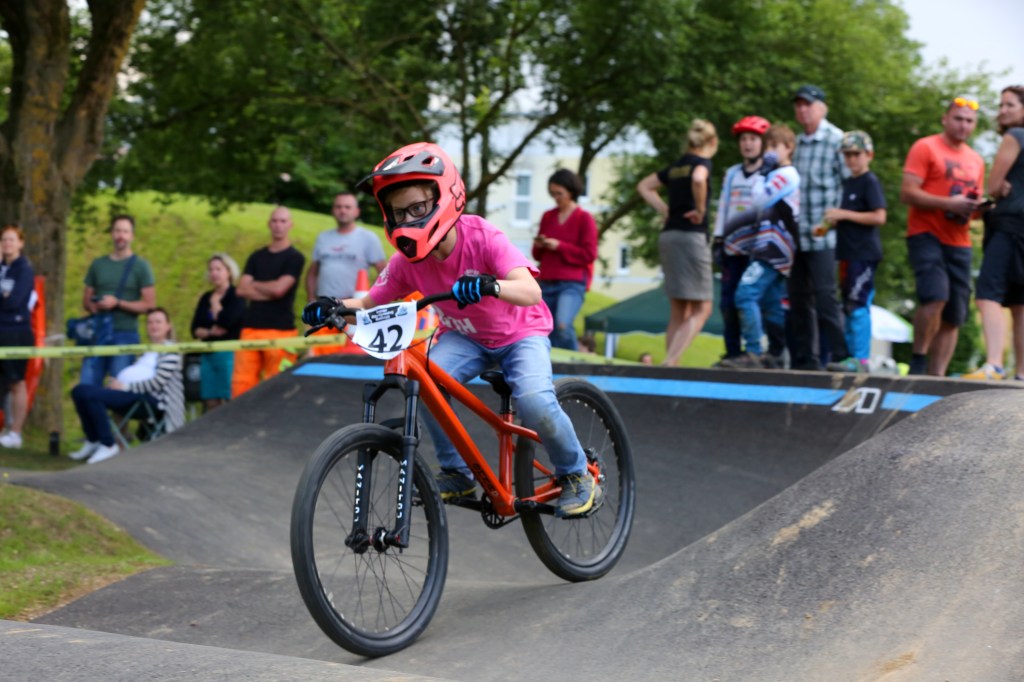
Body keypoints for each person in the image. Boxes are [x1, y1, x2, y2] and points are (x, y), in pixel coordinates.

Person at [304, 142, 598, 518]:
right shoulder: (407, 262)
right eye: (398, 213)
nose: (407, 221)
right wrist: (332, 307)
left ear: (444, 197)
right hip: (465, 337)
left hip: (520, 334)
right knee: (426, 384)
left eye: (417, 209)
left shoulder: (482, 236)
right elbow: (369, 303)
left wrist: (491, 285)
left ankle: (575, 473)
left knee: (534, 402)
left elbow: (531, 291)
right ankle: (457, 473)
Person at [900, 96, 986, 376]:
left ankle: (937, 377)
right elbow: (907, 192)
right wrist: (949, 203)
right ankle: (918, 362)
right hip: (926, 234)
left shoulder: (976, 160)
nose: (963, 125)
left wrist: (979, 209)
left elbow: (972, 208)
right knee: (935, 296)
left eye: (969, 121)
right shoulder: (925, 147)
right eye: (958, 119)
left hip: (960, 241)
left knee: (955, 314)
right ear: (945, 119)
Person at [637, 119, 719, 367]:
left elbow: (644, 186)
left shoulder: (675, 167)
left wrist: (665, 209)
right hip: (691, 237)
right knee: (703, 308)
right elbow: (699, 178)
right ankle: (670, 362)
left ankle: (670, 364)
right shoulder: (702, 163)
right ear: (712, 142)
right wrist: (700, 210)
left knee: (679, 309)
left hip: (669, 236)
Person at [719, 124, 800, 369]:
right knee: (771, 302)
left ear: (789, 148)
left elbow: (758, 199)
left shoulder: (786, 175)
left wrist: (762, 174)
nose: (769, 152)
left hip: (774, 249)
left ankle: (753, 351)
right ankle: (776, 353)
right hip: (765, 246)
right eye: (768, 147)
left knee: (745, 294)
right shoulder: (775, 174)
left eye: (775, 146)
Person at [68, 308, 185, 464]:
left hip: (149, 400)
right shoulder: (146, 350)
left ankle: (108, 445)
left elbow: (158, 382)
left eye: (158, 322)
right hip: (129, 393)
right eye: (150, 322)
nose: (153, 326)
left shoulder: (170, 350)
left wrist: (124, 387)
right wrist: (117, 383)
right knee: (79, 391)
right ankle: (93, 439)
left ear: (168, 326)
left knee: (93, 396)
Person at [964, 86, 1024, 381]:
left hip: (1009, 225)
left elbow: (994, 186)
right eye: (1001, 105)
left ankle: (994, 365)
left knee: (988, 294)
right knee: (1020, 302)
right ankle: (1022, 372)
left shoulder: (1015, 136)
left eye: (1009, 105)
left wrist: (998, 189)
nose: (1002, 110)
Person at [790, 84, 850, 370]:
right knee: (798, 298)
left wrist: (837, 217)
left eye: (808, 104)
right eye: (799, 105)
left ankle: (840, 355)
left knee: (826, 295)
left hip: (826, 234)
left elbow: (850, 183)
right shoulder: (796, 143)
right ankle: (806, 359)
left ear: (822, 108)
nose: (803, 110)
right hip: (797, 235)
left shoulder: (837, 139)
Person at [823, 131, 888, 373]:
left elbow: (879, 216)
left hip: (864, 253)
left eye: (856, 154)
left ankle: (861, 359)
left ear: (868, 155)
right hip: (847, 252)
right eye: (847, 155)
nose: (851, 159)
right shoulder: (848, 182)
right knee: (849, 304)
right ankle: (851, 355)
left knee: (858, 303)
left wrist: (844, 214)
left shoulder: (869, 181)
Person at [232, 206, 306, 397]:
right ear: (268, 224)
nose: (278, 225)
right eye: (274, 221)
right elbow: (241, 290)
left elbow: (279, 290)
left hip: (281, 330)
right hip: (251, 328)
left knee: (277, 387)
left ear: (290, 225)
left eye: (283, 221)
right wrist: (270, 290)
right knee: (242, 384)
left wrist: (255, 284)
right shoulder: (256, 256)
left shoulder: (295, 257)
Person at [79, 214, 156, 386]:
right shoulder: (98, 264)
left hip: (125, 334)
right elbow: (86, 301)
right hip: (98, 333)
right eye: (117, 231)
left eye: (125, 231)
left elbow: (150, 305)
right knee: (87, 385)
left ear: (132, 236)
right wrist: (95, 305)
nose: (121, 235)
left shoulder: (141, 266)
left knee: (119, 387)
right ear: (112, 234)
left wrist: (118, 303)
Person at [532, 168, 598, 350]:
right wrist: (541, 244)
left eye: (559, 193)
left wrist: (559, 246)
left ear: (571, 191)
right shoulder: (548, 216)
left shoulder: (584, 218)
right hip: (546, 281)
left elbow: (589, 254)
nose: (556, 198)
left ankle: (574, 360)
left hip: (571, 283)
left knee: (562, 324)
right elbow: (537, 255)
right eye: (552, 193)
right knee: (544, 328)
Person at [305, 192, 387, 301]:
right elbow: (313, 272)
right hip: (324, 302)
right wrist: (311, 297)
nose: (342, 210)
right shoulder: (323, 237)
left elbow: (384, 273)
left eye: (347, 207)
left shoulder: (368, 238)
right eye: (338, 207)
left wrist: (369, 297)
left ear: (356, 212)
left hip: (354, 304)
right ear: (333, 210)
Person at [190, 253, 245, 411]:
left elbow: (226, 322)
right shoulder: (205, 297)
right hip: (207, 354)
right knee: (210, 399)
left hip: (229, 354)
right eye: (211, 269)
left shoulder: (236, 295)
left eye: (218, 269)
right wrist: (210, 331)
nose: (214, 273)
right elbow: (195, 328)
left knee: (230, 396)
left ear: (228, 272)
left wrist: (215, 305)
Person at [0, 225, 36, 449]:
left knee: (16, 381)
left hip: (16, 332)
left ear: (20, 243)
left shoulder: (24, 269)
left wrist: (6, 298)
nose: (7, 243)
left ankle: (16, 432)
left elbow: (14, 302)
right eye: (4, 240)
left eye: (11, 239)